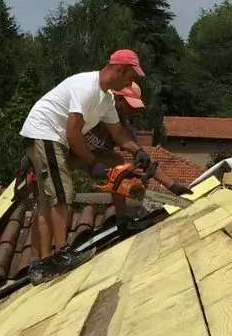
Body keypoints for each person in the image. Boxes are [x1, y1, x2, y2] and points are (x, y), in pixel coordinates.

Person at [18, 49, 150, 284]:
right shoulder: (86, 87)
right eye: (131, 76)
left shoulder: (106, 98)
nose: (132, 81)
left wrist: (138, 151)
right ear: (119, 70)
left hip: (52, 138)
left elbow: (118, 132)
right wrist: (91, 165)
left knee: (48, 201)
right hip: (45, 134)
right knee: (62, 193)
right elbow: (72, 132)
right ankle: (62, 254)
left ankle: (41, 264)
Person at [83, 81, 193, 236]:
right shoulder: (94, 110)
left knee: (120, 168)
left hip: (92, 157)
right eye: (130, 105)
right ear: (117, 99)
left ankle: (121, 221)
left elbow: (144, 160)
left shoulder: (124, 129)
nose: (133, 111)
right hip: (71, 151)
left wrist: (172, 186)